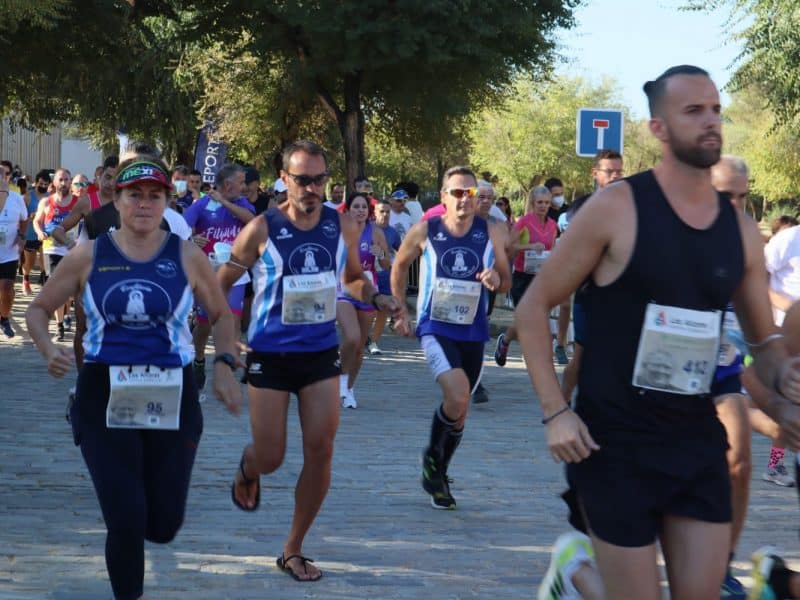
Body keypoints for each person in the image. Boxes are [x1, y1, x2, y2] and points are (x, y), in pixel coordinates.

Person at [519, 65, 800, 599]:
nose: (710, 121)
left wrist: (785, 387)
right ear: (659, 129)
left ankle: (575, 571)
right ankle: (574, 570)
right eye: (693, 111)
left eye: (716, 109)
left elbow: (763, 344)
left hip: (695, 442)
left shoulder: (738, 230)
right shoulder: (616, 208)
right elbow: (534, 308)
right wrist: (556, 412)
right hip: (614, 442)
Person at [25, 154, 242, 600]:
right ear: (117, 199)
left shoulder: (187, 255)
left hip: (172, 391)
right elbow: (38, 308)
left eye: (154, 195)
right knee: (125, 518)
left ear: (166, 201)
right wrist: (48, 348)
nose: (143, 204)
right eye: (134, 195)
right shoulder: (90, 254)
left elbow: (221, 315)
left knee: (161, 526)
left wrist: (222, 364)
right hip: (104, 392)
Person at [220, 141, 401, 582]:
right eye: (302, 179)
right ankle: (249, 466)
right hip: (271, 355)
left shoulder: (341, 225)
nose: (312, 187)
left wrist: (376, 297)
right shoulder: (262, 229)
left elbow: (352, 279)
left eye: (320, 179)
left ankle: (293, 548)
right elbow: (219, 285)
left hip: (320, 353)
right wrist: (226, 344)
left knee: (321, 450)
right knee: (272, 455)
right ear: (284, 179)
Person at [391, 165, 511, 509]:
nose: (464, 199)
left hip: (473, 331)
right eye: (456, 193)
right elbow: (399, 266)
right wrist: (401, 311)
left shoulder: (493, 232)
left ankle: (439, 471)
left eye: (469, 193)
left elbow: (506, 280)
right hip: (435, 326)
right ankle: (431, 455)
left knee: (460, 411)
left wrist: (495, 280)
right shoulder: (426, 229)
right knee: (457, 394)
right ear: (443, 197)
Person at [183, 163, 255, 394]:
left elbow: (252, 221)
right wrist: (192, 241)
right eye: (241, 182)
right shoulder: (203, 204)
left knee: (233, 319)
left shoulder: (241, 203)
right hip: (208, 275)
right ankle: (199, 358)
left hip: (235, 273)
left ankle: (227, 365)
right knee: (204, 324)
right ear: (228, 184)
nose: (244, 187)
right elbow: (182, 226)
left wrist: (225, 202)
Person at [560, 150, 624, 402]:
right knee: (582, 354)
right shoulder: (582, 208)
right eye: (610, 172)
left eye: (620, 171)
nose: (616, 177)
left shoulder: (633, 208)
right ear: (595, 173)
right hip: (590, 295)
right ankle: (562, 402)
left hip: (622, 298)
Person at [336, 191, 391, 408]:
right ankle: (339, 377)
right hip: (343, 288)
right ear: (348, 209)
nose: (360, 210)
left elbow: (387, 264)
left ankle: (349, 388)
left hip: (368, 291)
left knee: (359, 346)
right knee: (351, 337)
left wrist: (381, 255)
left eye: (363, 207)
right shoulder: (339, 231)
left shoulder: (375, 232)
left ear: (368, 211)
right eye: (356, 206)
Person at [494, 186, 557, 367]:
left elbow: (551, 249)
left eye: (546, 203)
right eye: (540, 203)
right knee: (525, 317)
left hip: (540, 276)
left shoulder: (553, 225)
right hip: (522, 276)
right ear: (532, 203)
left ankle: (508, 343)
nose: (543, 206)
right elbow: (509, 246)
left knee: (534, 316)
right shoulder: (524, 222)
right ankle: (514, 346)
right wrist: (529, 246)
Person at [33, 167, 77, 341]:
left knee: (70, 290)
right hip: (52, 248)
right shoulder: (46, 202)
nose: (64, 183)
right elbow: (37, 221)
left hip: (73, 249)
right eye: (61, 180)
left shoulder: (78, 202)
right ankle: (59, 326)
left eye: (67, 180)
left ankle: (67, 314)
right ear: (54, 182)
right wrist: (38, 231)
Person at [367, 198, 402, 355]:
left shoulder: (393, 232)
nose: (385, 214)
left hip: (385, 275)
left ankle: (374, 341)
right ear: (374, 212)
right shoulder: (366, 229)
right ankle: (363, 337)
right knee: (367, 310)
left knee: (383, 310)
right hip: (368, 275)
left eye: (388, 212)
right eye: (382, 211)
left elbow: (401, 253)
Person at [0, 171, 28, 338]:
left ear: (7, 180)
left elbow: (25, 219)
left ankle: (4, 318)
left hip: (9, 252)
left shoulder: (17, 199)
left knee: (6, 287)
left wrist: (22, 236)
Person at [21, 170, 51, 295]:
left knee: (46, 262)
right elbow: (21, 216)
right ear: (36, 182)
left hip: (45, 235)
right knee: (30, 263)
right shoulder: (28, 196)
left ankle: (46, 284)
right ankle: (26, 279)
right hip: (30, 234)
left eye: (46, 184)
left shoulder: (50, 197)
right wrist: (30, 216)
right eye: (41, 183)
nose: (43, 186)